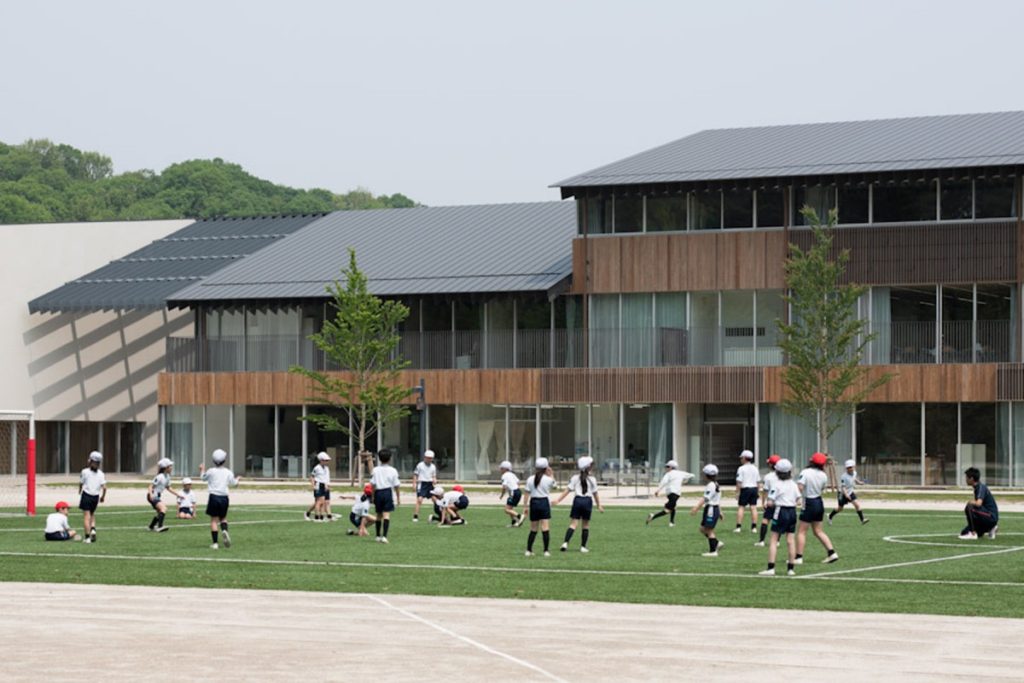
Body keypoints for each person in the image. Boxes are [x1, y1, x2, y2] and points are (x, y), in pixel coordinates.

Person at [758, 458, 801, 576]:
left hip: (780, 511)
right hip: (792, 512)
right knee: (790, 540)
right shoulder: (793, 484)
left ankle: (771, 568)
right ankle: (791, 568)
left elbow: (770, 502)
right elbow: (799, 500)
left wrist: (771, 503)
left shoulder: (776, 485)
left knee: (773, 539)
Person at [795, 453, 838, 564]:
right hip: (819, 502)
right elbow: (822, 488)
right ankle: (832, 552)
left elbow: (799, 487)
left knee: (801, 532)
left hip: (808, 502)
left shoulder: (805, 472)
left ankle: (798, 557)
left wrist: (795, 499)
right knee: (818, 531)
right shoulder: (823, 475)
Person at [555, 455, 603, 553]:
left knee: (573, 524)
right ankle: (583, 546)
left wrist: (558, 500)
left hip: (577, 501)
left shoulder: (575, 478)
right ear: (588, 467)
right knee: (585, 525)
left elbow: (567, 490)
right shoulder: (592, 479)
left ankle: (565, 543)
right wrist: (599, 505)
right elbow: (595, 494)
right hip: (587, 502)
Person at [200, 448, 241, 550]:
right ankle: (224, 530)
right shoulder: (228, 472)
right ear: (224, 460)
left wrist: (201, 470)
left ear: (213, 461)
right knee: (223, 518)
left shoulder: (211, 471)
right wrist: (238, 479)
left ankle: (215, 543)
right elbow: (234, 484)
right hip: (224, 497)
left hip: (214, 496)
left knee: (214, 520)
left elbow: (203, 478)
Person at [522, 457, 555, 557]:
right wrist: (552, 474)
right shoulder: (548, 480)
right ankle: (546, 551)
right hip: (544, 502)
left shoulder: (530, 479)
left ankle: (528, 550)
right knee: (545, 527)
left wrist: (525, 506)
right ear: (546, 468)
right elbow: (555, 486)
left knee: (533, 528)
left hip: (534, 502)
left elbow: (526, 493)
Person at [646, 460, 693, 527]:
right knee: (668, 510)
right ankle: (653, 516)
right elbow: (691, 475)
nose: (666, 468)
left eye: (667, 466)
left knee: (673, 508)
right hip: (675, 493)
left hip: (670, 493)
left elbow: (663, 482)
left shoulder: (668, 474)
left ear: (671, 467)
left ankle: (671, 522)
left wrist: (658, 490)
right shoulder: (680, 473)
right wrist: (684, 481)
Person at [690, 464, 724, 557]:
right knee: (702, 529)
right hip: (713, 508)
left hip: (711, 509)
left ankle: (713, 551)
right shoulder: (716, 484)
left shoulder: (711, 485)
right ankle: (716, 543)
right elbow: (717, 498)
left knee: (708, 530)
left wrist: (696, 507)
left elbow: (706, 498)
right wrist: (720, 511)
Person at [370, 448, 401, 543]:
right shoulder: (393, 470)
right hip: (387, 492)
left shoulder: (375, 470)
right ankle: (385, 536)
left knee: (379, 514)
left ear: (379, 458)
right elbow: (396, 485)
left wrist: (372, 496)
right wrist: (398, 497)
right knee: (386, 514)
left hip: (378, 492)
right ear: (390, 458)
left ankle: (377, 536)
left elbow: (373, 484)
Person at [959, 467, 999, 540]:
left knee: (969, 507)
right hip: (985, 516)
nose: (966, 480)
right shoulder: (977, 488)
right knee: (964, 532)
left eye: (967, 478)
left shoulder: (981, 487)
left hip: (990, 516)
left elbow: (978, 503)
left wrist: (970, 502)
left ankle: (973, 533)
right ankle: (990, 529)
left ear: (971, 479)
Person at [828, 459, 869, 525]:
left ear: (854, 466)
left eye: (850, 467)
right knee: (840, 509)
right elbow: (843, 487)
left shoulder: (855, 472)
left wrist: (859, 482)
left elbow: (854, 478)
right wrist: (846, 495)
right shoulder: (843, 477)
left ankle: (862, 520)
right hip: (842, 494)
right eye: (848, 467)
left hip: (850, 492)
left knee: (857, 505)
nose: (849, 469)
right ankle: (830, 516)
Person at [78, 451, 106, 544]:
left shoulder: (85, 472)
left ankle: (87, 537)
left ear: (90, 461)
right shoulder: (101, 474)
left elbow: (81, 483)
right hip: (95, 496)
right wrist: (102, 497)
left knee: (86, 516)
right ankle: (93, 529)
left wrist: (79, 490)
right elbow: (104, 487)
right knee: (92, 513)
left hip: (87, 495)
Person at [147, 458, 181, 533]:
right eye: (170, 466)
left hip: (157, 496)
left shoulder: (167, 477)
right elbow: (150, 486)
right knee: (164, 508)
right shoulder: (160, 476)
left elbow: (168, 488)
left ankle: (151, 527)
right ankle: (160, 527)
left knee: (160, 512)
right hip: (152, 496)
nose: (172, 467)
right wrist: (151, 495)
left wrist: (177, 494)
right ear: (165, 468)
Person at [755, 454, 781, 547]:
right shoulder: (783, 476)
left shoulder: (768, 476)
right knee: (777, 521)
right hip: (780, 501)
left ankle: (761, 541)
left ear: (770, 465)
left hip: (771, 501)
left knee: (765, 520)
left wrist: (763, 502)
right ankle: (777, 541)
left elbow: (765, 490)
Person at [734, 450, 761, 534]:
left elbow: (739, 481)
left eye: (742, 458)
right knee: (753, 507)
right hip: (753, 489)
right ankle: (754, 527)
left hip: (745, 489)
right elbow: (758, 481)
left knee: (741, 507)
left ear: (745, 458)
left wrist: (737, 492)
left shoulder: (741, 469)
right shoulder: (755, 468)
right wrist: (758, 491)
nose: (741, 459)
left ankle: (738, 527)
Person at [305, 452, 333, 522]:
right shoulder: (317, 468)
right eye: (325, 460)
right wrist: (313, 485)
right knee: (319, 502)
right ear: (321, 460)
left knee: (324, 502)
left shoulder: (326, 468)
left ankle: (321, 516)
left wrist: (328, 485)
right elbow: (312, 477)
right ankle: (316, 517)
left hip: (324, 485)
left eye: (327, 460)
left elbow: (326, 478)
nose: (327, 462)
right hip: (318, 485)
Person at [412, 450, 437, 522]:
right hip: (422, 483)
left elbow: (434, 476)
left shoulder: (433, 466)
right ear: (425, 457)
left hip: (429, 484)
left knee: (435, 499)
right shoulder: (420, 465)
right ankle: (415, 515)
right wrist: (414, 484)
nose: (429, 459)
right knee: (419, 500)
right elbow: (415, 475)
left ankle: (440, 513)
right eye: (428, 458)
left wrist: (434, 480)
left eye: (431, 458)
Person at [498, 460, 524, 527]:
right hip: (518, 491)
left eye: (501, 468)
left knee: (507, 509)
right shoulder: (512, 474)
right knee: (510, 508)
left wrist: (502, 495)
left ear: (505, 469)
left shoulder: (504, 476)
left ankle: (519, 516)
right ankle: (514, 522)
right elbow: (518, 482)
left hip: (514, 492)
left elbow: (504, 487)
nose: (500, 470)